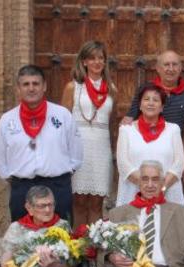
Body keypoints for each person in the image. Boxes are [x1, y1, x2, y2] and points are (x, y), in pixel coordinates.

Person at [0, 65, 83, 222]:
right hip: (22, 188)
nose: (31, 88)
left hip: (57, 186)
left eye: (36, 83)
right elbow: (0, 159)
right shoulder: (7, 120)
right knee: (23, 241)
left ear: (44, 86)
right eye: (26, 84)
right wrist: (15, 180)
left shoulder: (62, 115)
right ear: (18, 88)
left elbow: (76, 152)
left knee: (61, 240)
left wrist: (63, 174)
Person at [61, 40, 116, 227]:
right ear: (84, 61)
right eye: (92, 58)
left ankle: (94, 249)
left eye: (101, 58)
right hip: (79, 146)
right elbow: (63, 122)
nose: (97, 62)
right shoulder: (73, 87)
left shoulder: (111, 90)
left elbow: (112, 124)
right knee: (79, 201)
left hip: (101, 148)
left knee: (96, 202)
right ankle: (79, 250)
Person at [115, 84, 184, 206]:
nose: (151, 103)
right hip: (133, 195)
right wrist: (146, 185)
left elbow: (179, 163)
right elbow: (123, 163)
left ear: (162, 107)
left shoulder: (173, 129)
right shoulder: (126, 130)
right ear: (140, 105)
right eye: (146, 99)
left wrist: (160, 187)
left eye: (156, 100)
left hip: (167, 194)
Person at [120, 50, 184, 133]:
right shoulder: (146, 90)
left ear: (180, 68)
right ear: (158, 68)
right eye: (166, 64)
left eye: (175, 64)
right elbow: (130, 117)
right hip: (150, 142)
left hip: (180, 144)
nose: (171, 69)